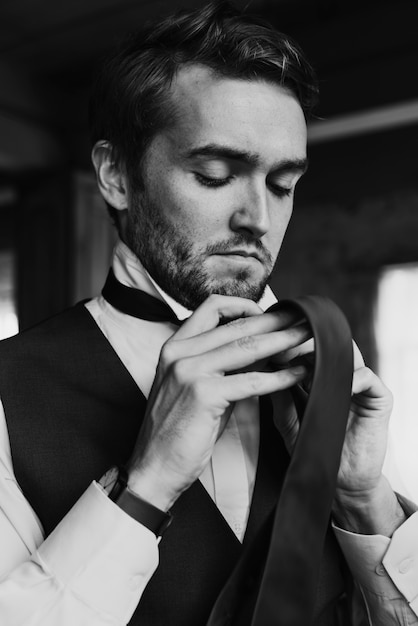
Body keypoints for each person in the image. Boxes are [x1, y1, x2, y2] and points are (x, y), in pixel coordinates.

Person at [0, 1, 417, 624]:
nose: (259, 219)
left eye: (282, 185)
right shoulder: (9, 392)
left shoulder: (322, 366)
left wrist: (362, 497)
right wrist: (146, 486)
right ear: (116, 176)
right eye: (216, 175)